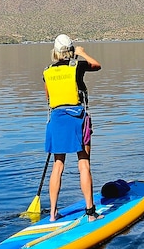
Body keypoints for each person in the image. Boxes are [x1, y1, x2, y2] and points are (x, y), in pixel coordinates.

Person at [43, 34, 102, 222]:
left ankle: (52, 213)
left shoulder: (47, 71)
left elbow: (48, 98)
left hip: (56, 120)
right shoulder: (77, 66)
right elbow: (97, 65)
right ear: (70, 50)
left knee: (57, 165)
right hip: (76, 119)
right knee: (84, 163)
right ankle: (90, 212)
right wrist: (83, 53)